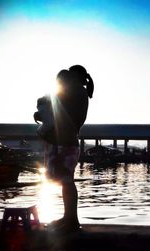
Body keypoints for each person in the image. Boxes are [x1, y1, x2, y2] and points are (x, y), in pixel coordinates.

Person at [35, 65, 94, 232]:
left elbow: (59, 109)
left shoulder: (76, 91)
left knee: (67, 181)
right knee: (65, 181)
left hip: (66, 143)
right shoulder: (78, 92)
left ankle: (72, 221)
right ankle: (69, 217)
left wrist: (45, 110)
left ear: (75, 77)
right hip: (66, 142)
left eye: (69, 75)